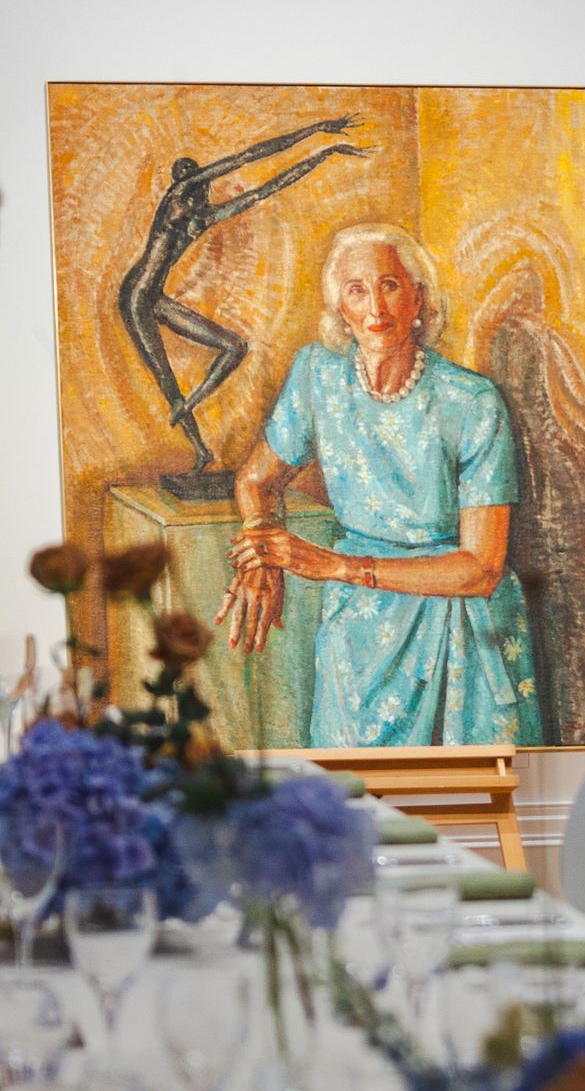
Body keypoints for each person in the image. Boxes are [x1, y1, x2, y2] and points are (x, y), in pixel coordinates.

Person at [219, 225, 542, 747]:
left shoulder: (472, 401)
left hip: (457, 625)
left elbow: (482, 568)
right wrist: (260, 555)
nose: (375, 307)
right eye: (356, 289)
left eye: (389, 285)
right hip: (359, 631)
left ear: (419, 298)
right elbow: (256, 480)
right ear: (339, 308)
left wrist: (336, 567)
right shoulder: (317, 374)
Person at [117, 117, 364, 480]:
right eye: (189, 181)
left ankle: (193, 401)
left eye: (196, 181)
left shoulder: (205, 215)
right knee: (165, 377)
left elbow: (266, 188)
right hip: (136, 296)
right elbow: (244, 158)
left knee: (234, 347)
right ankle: (200, 449)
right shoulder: (177, 198)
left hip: (154, 297)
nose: (194, 189)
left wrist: (322, 149)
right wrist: (317, 133)